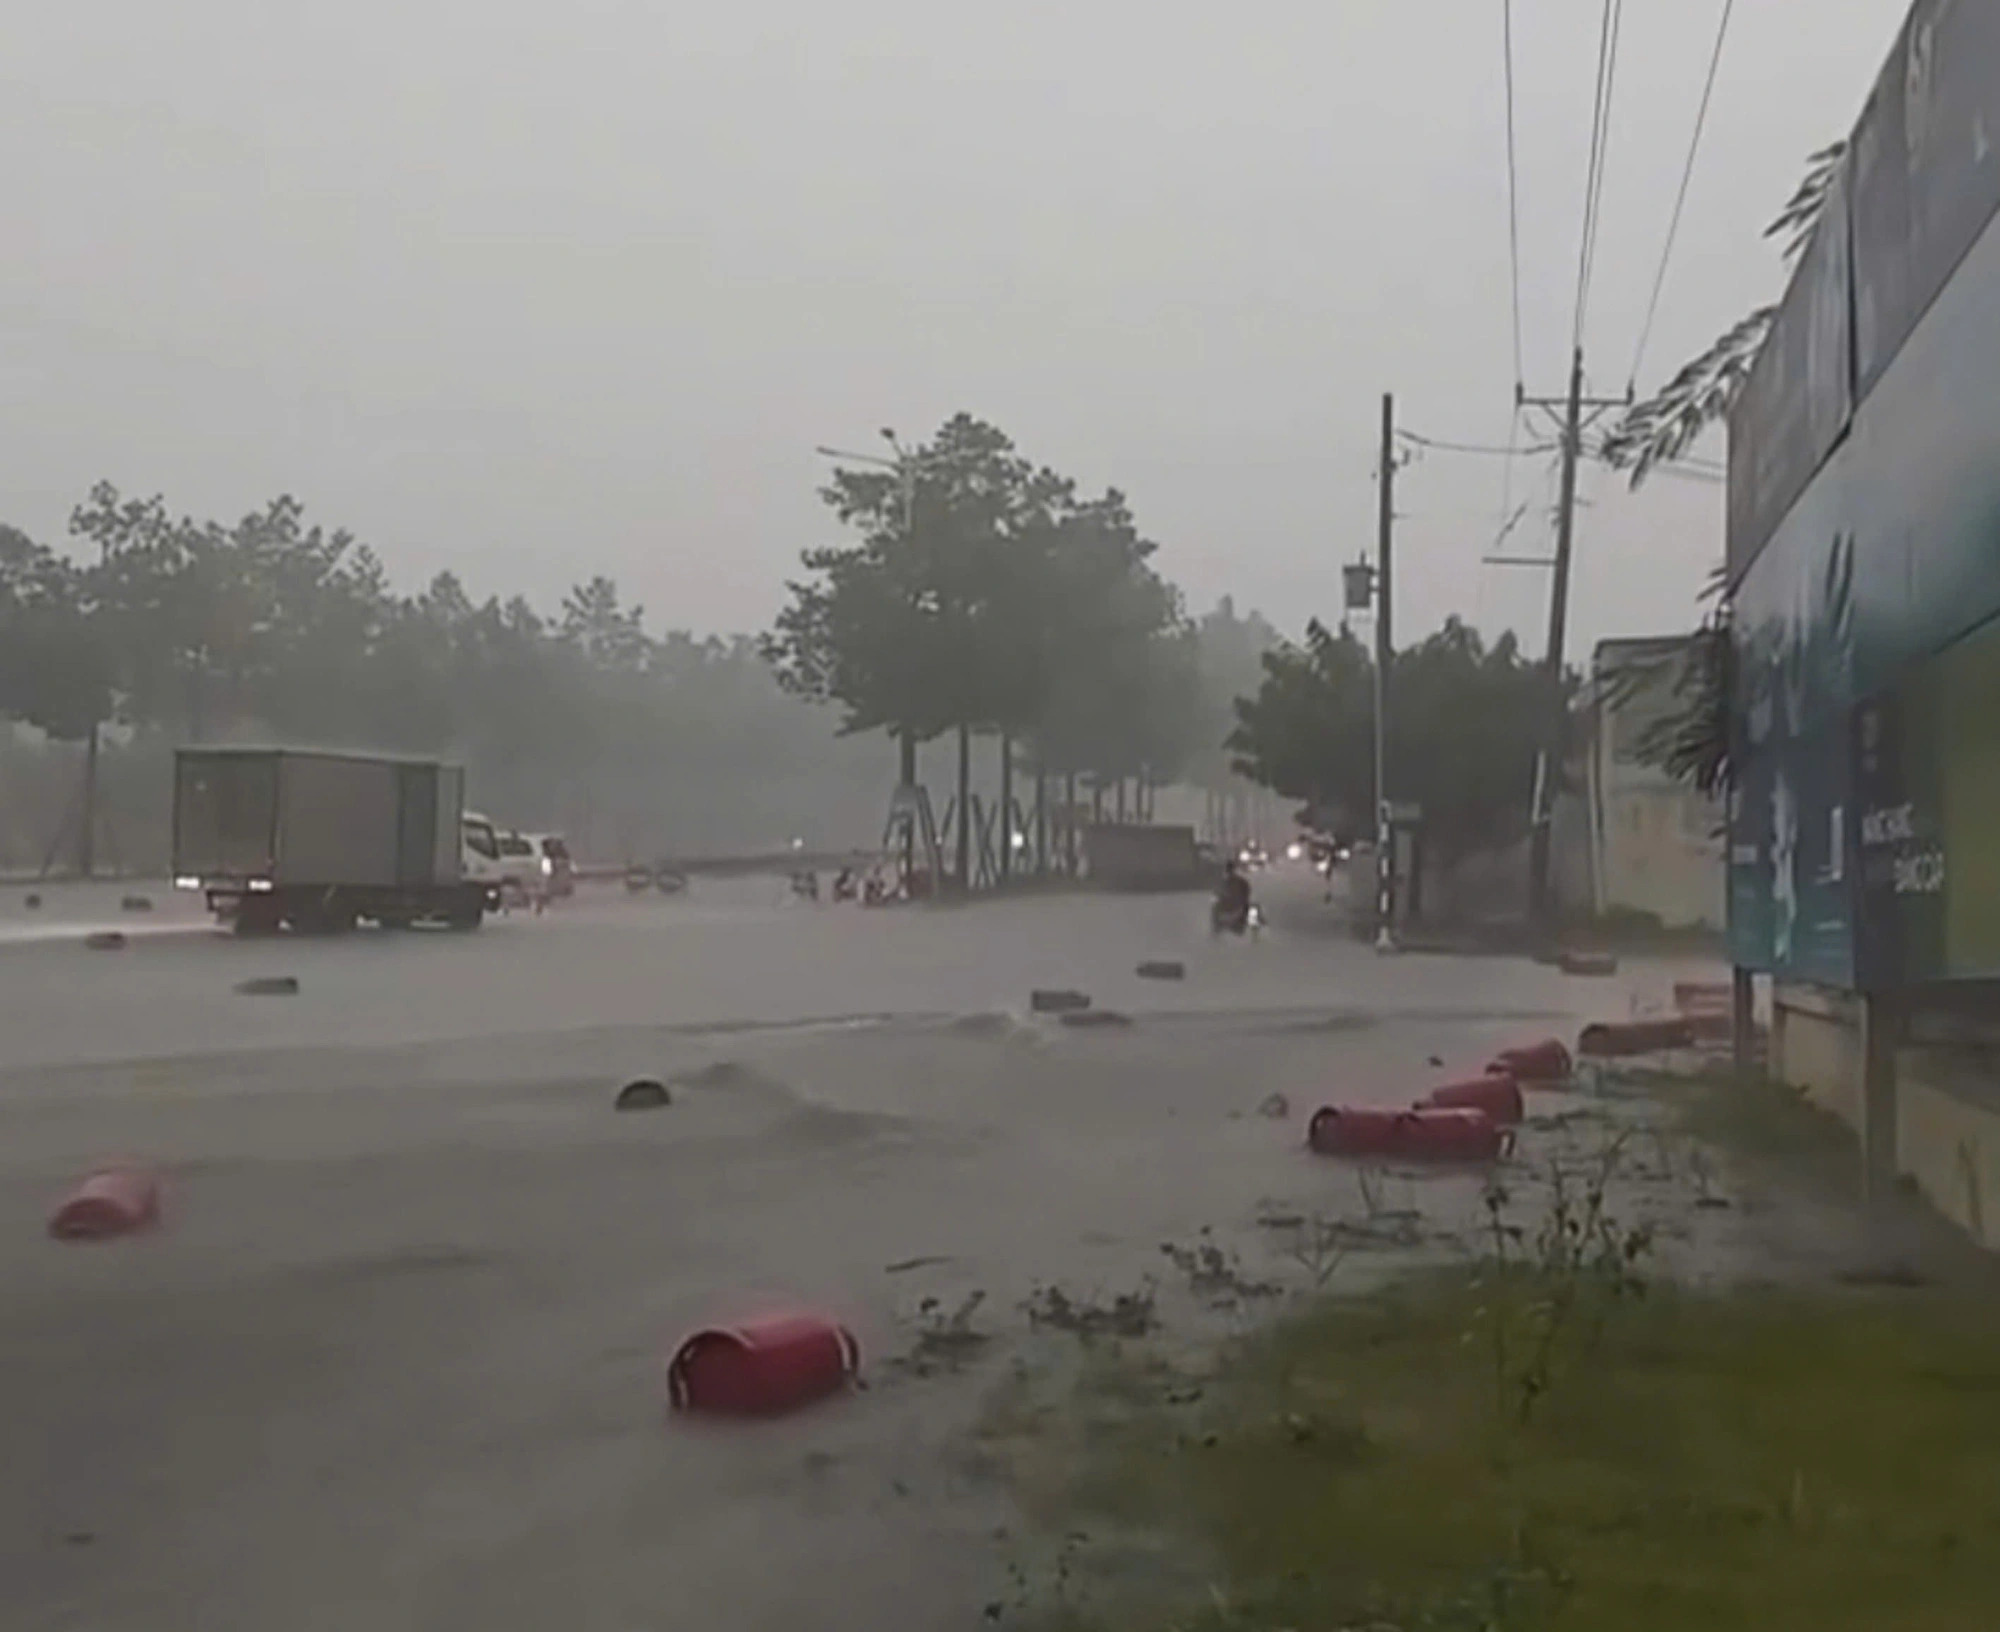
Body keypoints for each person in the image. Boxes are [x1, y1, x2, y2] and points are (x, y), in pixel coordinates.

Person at [1213, 859, 1252, 931]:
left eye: (1230, 869)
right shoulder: (1224, 881)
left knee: (1249, 909)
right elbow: (1217, 892)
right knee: (1215, 908)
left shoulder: (1240, 881)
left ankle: (1248, 928)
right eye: (1228, 870)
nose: (1229, 872)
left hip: (1237, 903)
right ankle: (1217, 928)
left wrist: (1244, 899)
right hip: (1227, 903)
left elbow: (1246, 891)